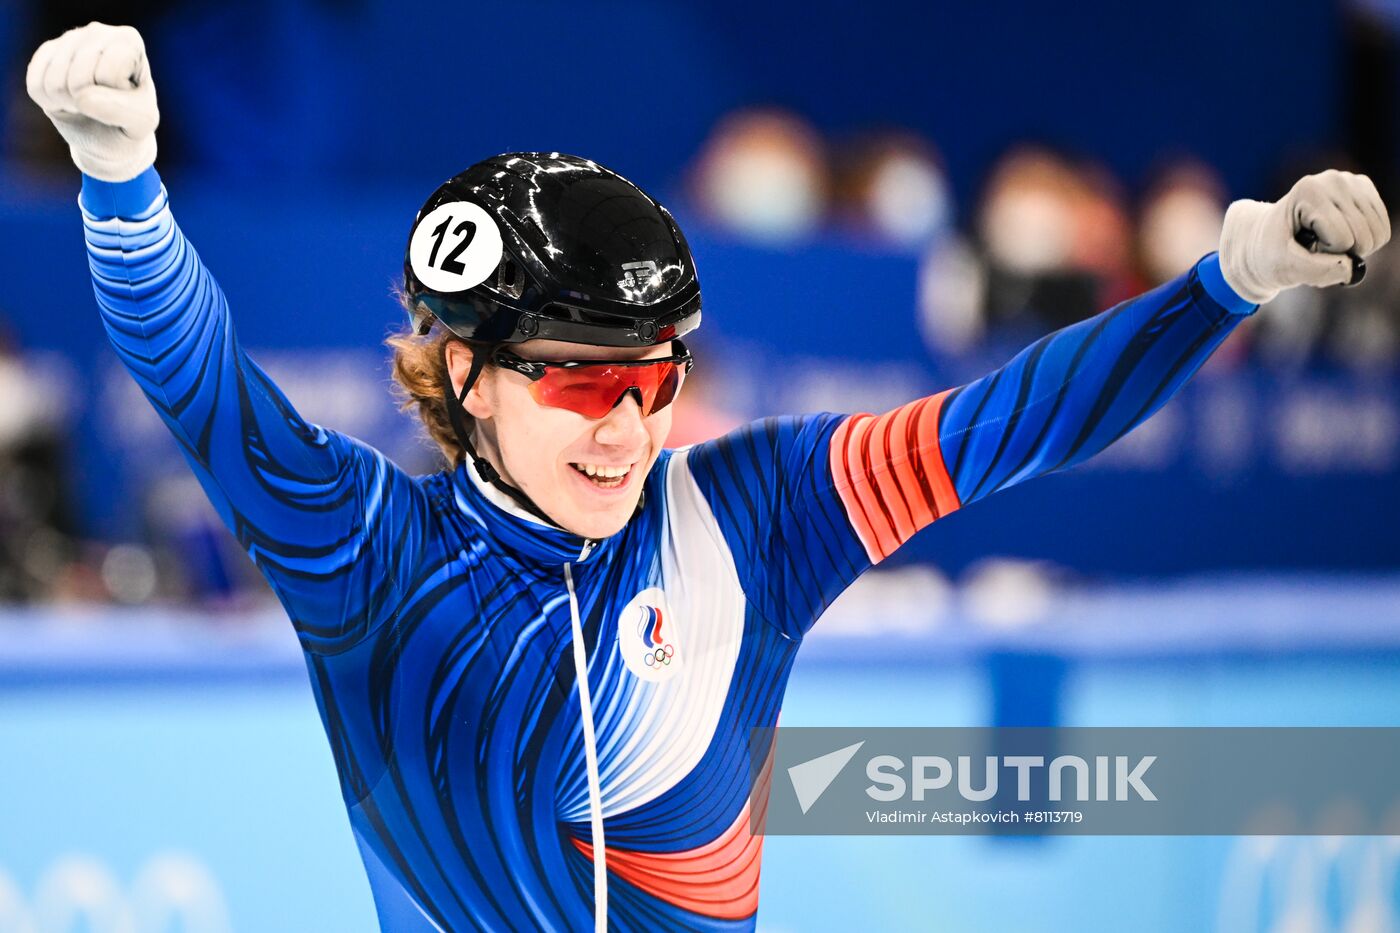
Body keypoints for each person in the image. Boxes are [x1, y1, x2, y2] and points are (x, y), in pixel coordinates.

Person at [26, 22, 1390, 933]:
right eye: (577, 379)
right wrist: (121, 182)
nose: (627, 428)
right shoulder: (370, 556)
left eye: (655, 377)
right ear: (460, 373)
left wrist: (1229, 283)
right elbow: (200, 379)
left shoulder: (754, 515)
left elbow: (1006, 423)